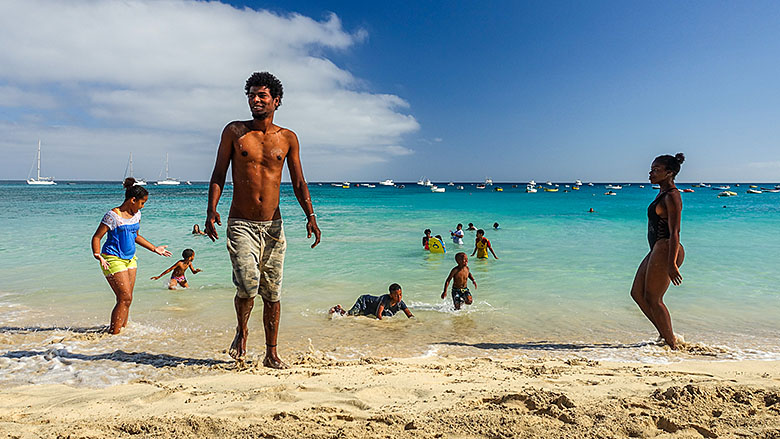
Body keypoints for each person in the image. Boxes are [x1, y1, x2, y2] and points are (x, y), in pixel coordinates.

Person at [205, 72, 321, 368]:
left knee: (272, 291)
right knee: (247, 284)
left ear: (276, 101)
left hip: (273, 226)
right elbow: (219, 174)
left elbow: (298, 182)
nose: (255, 100)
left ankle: (271, 353)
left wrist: (311, 216)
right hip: (241, 223)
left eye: (262, 96)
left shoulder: (288, 138)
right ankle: (242, 331)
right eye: (252, 95)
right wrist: (211, 210)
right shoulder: (235, 132)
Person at [91, 178, 172, 334]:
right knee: (125, 297)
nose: (142, 206)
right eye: (142, 203)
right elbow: (97, 237)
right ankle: (113, 334)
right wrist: (97, 255)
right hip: (112, 258)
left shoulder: (137, 215)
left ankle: (122, 331)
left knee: (127, 299)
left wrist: (155, 249)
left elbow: (135, 236)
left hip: (130, 259)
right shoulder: (113, 216)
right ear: (133, 200)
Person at [630, 153, 686, 350]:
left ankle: (672, 345)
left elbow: (675, 231)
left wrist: (671, 263)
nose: (650, 173)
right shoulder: (662, 193)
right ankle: (666, 336)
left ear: (669, 173)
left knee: (654, 298)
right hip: (657, 249)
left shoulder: (672, 196)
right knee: (637, 293)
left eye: (656, 170)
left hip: (667, 248)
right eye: (651, 169)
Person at [329, 283, 414, 319]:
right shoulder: (385, 299)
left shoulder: (400, 304)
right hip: (364, 302)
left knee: (356, 315)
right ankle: (337, 309)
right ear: (391, 295)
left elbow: (409, 315)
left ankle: (339, 309)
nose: (399, 297)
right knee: (349, 315)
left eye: (400, 294)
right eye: (396, 295)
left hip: (369, 309)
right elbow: (378, 315)